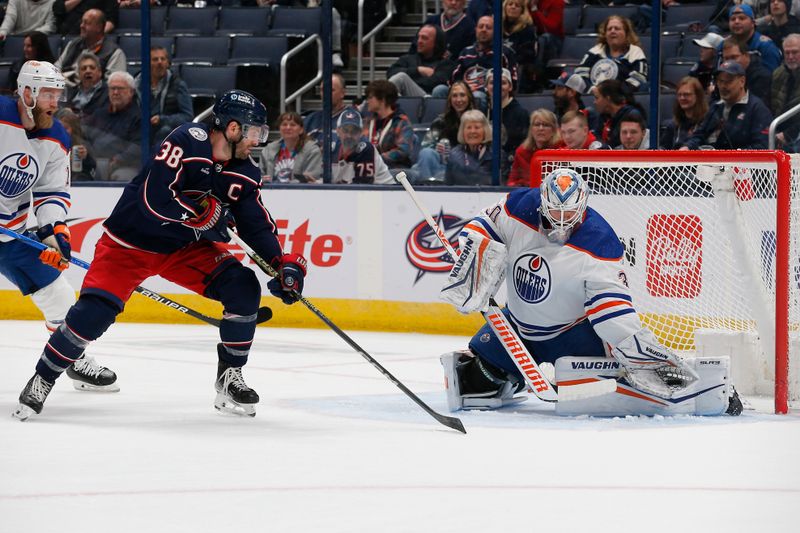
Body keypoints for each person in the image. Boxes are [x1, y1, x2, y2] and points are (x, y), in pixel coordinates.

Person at [12, 89, 306, 421]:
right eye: (254, 132)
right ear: (233, 128)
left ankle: (230, 379)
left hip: (184, 249)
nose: (257, 141)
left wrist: (280, 266)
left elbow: (255, 225)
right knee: (92, 314)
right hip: (128, 244)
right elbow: (155, 199)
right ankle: (42, 379)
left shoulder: (244, 172)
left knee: (244, 288)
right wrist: (196, 214)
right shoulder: (188, 140)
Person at [438, 168, 742, 416]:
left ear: (582, 207)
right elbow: (483, 224)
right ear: (541, 203)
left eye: (566, 216)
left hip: (572, 336)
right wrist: (472, 260)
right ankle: (514, 379)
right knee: (471, 382)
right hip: (516, 328)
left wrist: (648, 360)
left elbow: (614, 316)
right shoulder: (519, 206)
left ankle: (702, 385)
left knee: (619, 381)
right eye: (551, 214)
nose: (558, 225)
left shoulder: (600, 244)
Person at [0, 61, 118, 402]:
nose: (56, 101)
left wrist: (56, 237)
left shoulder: (56, 137)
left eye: (57, 93)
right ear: (27, 92)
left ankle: (75, 359)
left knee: (63, 300)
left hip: (12, 232)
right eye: (48, 93)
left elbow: (52, 194)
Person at [681, 60, 773, 150]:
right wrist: (687, 147)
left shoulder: (757, 109)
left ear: (742, 81)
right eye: (720, 81)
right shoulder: (716, 106)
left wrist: (731, 156)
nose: (723, 86)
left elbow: (761, 147)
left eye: (728, 81)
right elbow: (699, 135)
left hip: (738, 163)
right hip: (708, 161)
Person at [433, 15, 519, 111]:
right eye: (481, 27)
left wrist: (483, 89)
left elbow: (512, 83)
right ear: (476, 30)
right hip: (464, 91)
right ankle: (445, 122)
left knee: (477, 96)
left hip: (488, 96)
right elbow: (453, 79)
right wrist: (464, 89)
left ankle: (476, 124)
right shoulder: (466, 52)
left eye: (488, 27)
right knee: (439, 90)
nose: (484, 30)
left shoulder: (504, 52)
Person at [411, 81, 475, 182]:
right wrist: (436, 149)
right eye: (454, 96)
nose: (458, 100)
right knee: (426, 153)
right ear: (450, 99)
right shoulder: (440, 121)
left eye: (462, 95)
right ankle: (426, 188)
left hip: (465, 166)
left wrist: (455, 153)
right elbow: (425, 146)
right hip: (440, 165)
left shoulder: (476, 122)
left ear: (469, 98)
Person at [82, 70, 141, 181]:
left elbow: (138, 147)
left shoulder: (138, 117)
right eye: (112, 88)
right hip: (95, 163)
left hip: (124, 166)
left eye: (120, 88)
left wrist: (119, 159)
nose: (115, 92)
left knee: (122, 177)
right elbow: (85, 135)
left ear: (131, 92)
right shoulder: (99, 114)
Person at [568, 15, 649, 95]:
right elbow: (580, 74)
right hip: (593, 97)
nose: (612, 31)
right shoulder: (595, 51)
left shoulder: (635, 52)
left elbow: (638, 80)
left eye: (617, 28)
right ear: (605, 34)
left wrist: (613, 94)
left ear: (626, 33)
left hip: (621, 100)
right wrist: (592, 90)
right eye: (609, 29)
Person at [135, 46, 193, 148]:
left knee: (165, 131)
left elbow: (187, 116)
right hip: (141, 129)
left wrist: (162, 120)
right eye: (155, 59)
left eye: (163, 59)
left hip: (166, 132)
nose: (160, 62)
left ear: (168, 63)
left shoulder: (178, 85)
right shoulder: (136, 83)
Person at [55, 9, 126, 87]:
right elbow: (55, 69)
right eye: (82, 22)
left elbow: (113, 85)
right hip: (64, 91)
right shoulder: (73, 44)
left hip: (93, 96)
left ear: (99, 27)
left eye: (87, 23)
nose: (81, 26)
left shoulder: (114, 53)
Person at [387, 25, 455, 97]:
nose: (419, 41)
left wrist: (410, 79)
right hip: (405, 100)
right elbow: (391, 73)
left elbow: (433, 83)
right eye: (418, 37)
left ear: (436, 42)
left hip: (430, 100)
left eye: (424, 38)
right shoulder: (407, 59)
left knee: (402, 77)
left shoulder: (446, 64)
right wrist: (418, 70)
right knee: (398, 78)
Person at [362, 79, 416, 170]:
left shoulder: (401, 122)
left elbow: (403, 151)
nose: (367, 101)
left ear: (382, 100)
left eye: (370, 97)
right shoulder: (367, 122)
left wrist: (376, 159)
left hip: (394, 168)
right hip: (369, 168)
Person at [331, 108, 393, 184]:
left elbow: (362, 189)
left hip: (386, 193)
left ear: (361, 133)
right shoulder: (332, 150)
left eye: (354, 131)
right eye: (345, 130)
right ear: (338, 131)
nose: (349, 135)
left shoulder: (366, 150)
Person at [445, 109, 505, 185]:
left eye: (477, 127)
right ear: (462, 131)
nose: (472, 131)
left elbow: (502, 186)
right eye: (468, 127)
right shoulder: (454, 155)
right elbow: (448, 185)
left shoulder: (497, 154)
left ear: (485, 130)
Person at [259, 111, 322, 184]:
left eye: (292, 125)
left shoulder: (311, 150)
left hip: (300, 192)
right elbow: (260, 176)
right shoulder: (269, 149)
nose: (288, 128)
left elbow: (312, 178)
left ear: (301, 130)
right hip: (271, 192)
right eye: (284, 124)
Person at [507, 108, 559, 187]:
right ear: (531, 129)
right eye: (537, 124)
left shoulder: (561, 151)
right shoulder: (522, 151)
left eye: (546, 125)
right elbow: (512, 181)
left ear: (554, 129)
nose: (541, 128)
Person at [485, 67, 530, 158]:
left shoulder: (521, 113)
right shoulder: (481, 110)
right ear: (486, 87)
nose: (497, 86)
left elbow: (525, 145)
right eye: (492, 82)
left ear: (510, 87)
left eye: (503, 83)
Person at [724, 4, 783, 71]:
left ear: (753, 23)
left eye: (742, 18)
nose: (736, 22)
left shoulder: (766, 47)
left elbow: (772, 78)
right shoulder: (723, 45)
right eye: (733, 19)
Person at [304, 73, 353, 149]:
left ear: (342, 93)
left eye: (331, 90)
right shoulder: (310, 119)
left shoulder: (354, 118)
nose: (325, 94)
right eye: (323, 90)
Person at [722, 38, 772, 108]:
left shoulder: (761, 76)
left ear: (746, 56)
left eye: (734, 57)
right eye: (726, 59)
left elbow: (757, 108)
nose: (730, 62)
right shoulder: (723, 74)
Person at [660, 76, 709, 149]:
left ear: (698, 96)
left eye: (687, 94)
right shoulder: (673, 125)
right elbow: (663, 148)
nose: (682, 98)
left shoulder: (708, 122)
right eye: (679, 95)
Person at [593, 79, 644, 149]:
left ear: (608, 98)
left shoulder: (631, 115)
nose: (594, 102)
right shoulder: (603, 116)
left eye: (597, 98)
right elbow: (596, 139)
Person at [502, 0, 538, 93]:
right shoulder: (497, 27)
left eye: (517, 5)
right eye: (510, 4)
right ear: (505, 8)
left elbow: (528, 55)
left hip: (517, 68)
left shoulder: (527, 30)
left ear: (522, 11)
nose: (513, 7)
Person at [772, 33, 800, 150]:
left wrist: (788, 135)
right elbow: (772, 105)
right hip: (779, 128)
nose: (790, 56)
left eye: (795, 52)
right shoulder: (778, 74)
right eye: (787, 53)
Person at [56, 108, 98, 180]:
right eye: (59, 128)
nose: (62, 131)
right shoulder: (51, 143)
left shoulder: (82, 145)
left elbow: (93, 168)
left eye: (66, 128)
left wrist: (86, 157)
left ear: (73, 128)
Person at [65, 51, 107, 117]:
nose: (88, 71)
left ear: (100, 72)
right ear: (78, 74)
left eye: (92, 68)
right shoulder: (71, 92)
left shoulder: (107, 92)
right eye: (83, 68)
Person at [53, 0, 117, 36]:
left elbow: (110, 22)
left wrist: (96, 36)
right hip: (64, 34)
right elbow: (58, 9)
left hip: (90, 37)